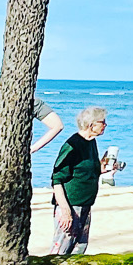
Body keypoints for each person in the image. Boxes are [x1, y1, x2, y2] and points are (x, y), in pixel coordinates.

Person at [50, 108, 106, 255]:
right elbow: (57, 179)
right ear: (91, 125)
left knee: (79, 248)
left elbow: (86, 170)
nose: (105, 125)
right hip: (71, 204)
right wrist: (65, 210)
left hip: (86, 203)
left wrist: (102, 169)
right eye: (103, 122)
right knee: (61, 248)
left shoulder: (91, 143)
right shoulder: (72, 145)